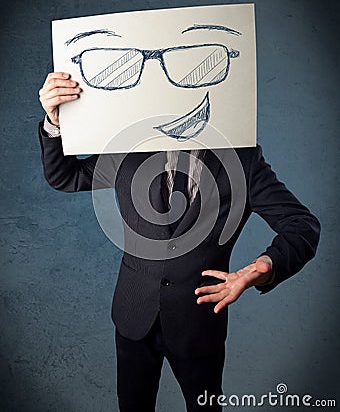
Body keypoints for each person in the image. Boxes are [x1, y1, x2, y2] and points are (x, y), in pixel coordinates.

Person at [38, 72, 320, 412]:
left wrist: (265, 267)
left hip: (199, 323)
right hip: (133, 314)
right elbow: (64, 177)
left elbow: (302, 225)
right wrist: (54, 123)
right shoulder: (130, 147)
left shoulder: (243, 162)